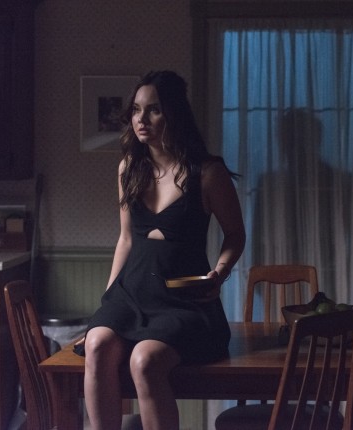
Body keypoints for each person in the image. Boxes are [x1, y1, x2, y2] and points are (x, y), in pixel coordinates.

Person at [77, 70, 246, 430]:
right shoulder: (128, 168)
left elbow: (235, 234)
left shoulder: (207, 173)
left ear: (174, 113)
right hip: (132, 294)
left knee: (144, 360)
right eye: (136, 110)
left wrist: (220, 272)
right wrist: (107, 305)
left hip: (184, 302)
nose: (141, 119)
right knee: (97, 343)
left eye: (153, 110)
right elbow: (126, 239)